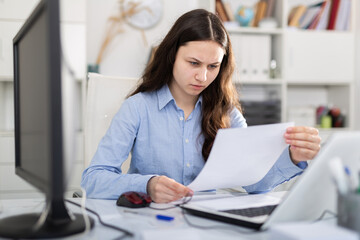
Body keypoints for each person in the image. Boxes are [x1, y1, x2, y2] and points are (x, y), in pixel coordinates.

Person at [81, 9, 321, 203]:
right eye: (193, 63)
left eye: (212, 66)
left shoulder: (228, 114)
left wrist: (292, 157)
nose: (202, 77)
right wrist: (147, 184)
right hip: (149, 222)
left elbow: (254, 183)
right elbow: (93, 180)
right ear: (172, 55)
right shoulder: (138, 108)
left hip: (206, 224)